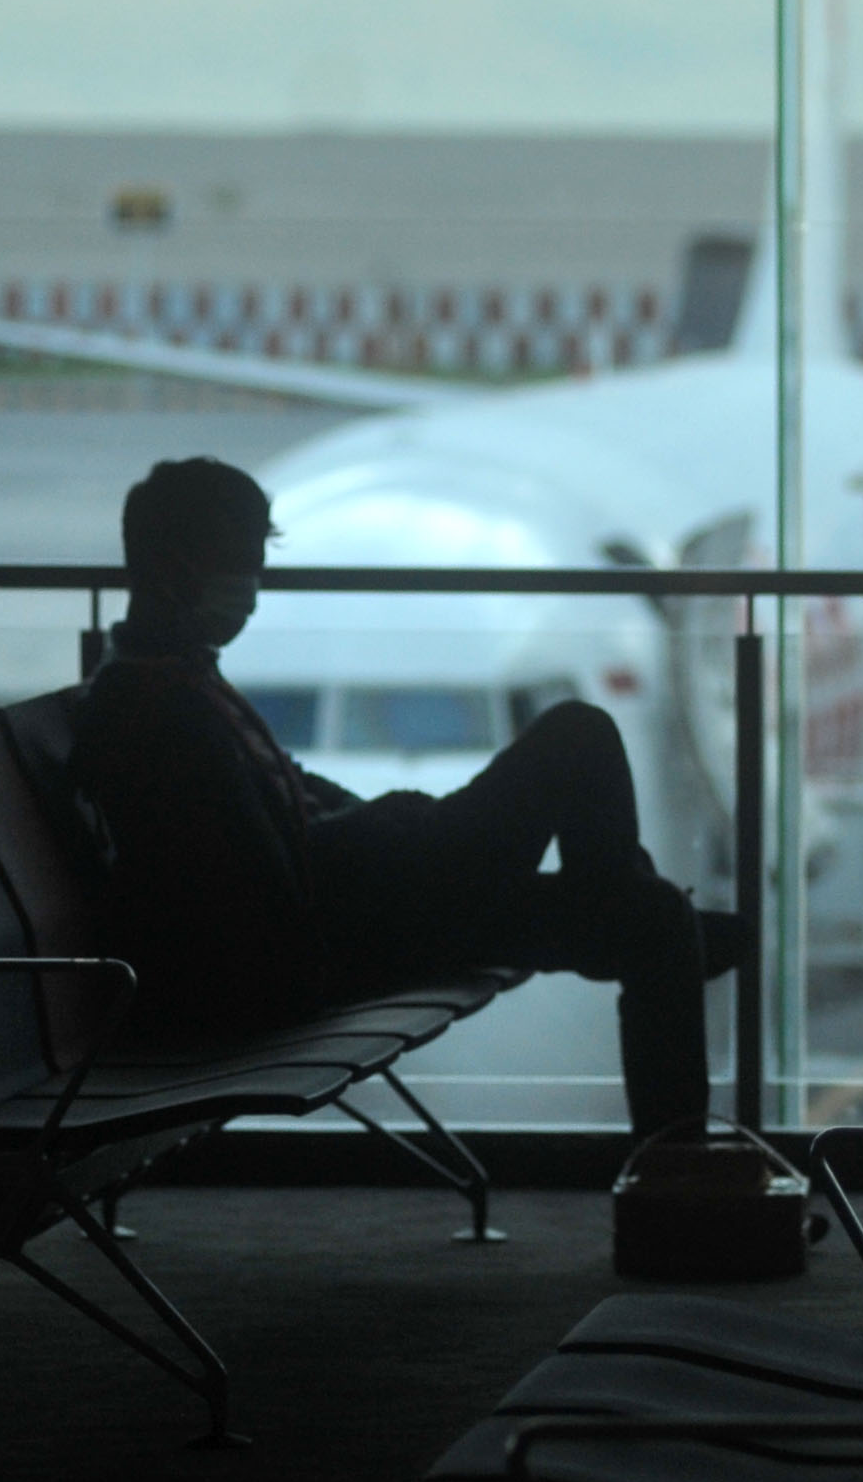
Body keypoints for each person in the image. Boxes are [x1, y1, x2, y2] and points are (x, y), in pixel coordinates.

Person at [70, 456, 731, 1139]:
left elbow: (279, 808)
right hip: (341, 942)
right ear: (180, 569)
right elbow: (267, 892)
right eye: (244, 568)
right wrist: (380, 835)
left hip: (364, 912)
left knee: (654, 922)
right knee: (577, 734)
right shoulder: (151, 714)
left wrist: (379, 821)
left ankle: (676, 1177)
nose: (252, 593)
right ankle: (611, 907)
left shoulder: (173, 680)